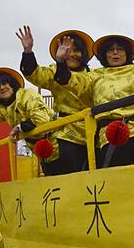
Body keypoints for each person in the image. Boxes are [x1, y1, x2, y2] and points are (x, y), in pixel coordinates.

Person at [52, 32, 134, 167]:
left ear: (127, 53)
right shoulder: (95, 76)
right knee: (114, 180)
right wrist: (61, 62)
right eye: (110, 50)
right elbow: (70, 81)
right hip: (110, 135)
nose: (115, 53)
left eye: (120, 49)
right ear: (104, 54)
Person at [19, 26, 94, 173]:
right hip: (67, 132)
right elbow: (35, 74)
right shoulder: (54, 72)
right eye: (66, 50)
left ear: (83, 54)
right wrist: (28, 51)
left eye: (75, 50)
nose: (71, 54)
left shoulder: (95, 75)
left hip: (94, 130)